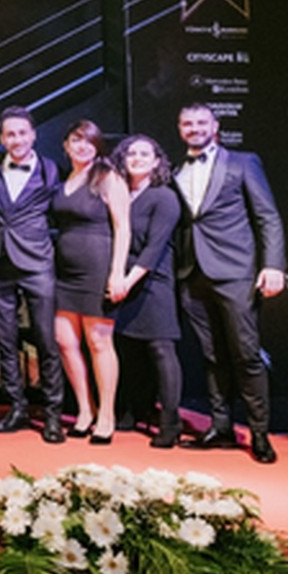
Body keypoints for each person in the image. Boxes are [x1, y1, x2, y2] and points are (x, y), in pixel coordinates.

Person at [174, 103, 286, 464]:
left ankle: (259, 434)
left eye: (201, 122)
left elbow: (267, 216)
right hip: (192, 274)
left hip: (236, 272)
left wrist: (273, 265)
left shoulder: (243, 162)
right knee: (212, 356)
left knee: (246, 355)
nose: (194, 128)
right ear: (180, 129)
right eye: (187, 123)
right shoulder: (176, 170)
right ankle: (220, 427)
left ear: (215, 125)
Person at [0, 106, 65, 443]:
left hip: (38, 262)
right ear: (1, 138)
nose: (16, 140)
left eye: (22, 133)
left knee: (46, 339)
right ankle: (17, 407)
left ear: (33, 135)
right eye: (10, 134)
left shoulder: (51, 169)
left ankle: (53, 414)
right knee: (5, 340)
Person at [51, 120, 131, 445]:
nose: (82, 146)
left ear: (97, 146)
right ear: (66, 145)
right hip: (63, 272)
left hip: (97, 267)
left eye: (89, 141)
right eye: (76, 140)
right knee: (64, 341)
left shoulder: (108, 177)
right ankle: (86, 409)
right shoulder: (64, 178)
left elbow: (123, 227)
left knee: (98, 342)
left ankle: (107, 415)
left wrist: (117, 272)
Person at [111, 134, 184, 449]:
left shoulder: (164, 197)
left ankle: (170, 422)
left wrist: (127, 281)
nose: (137, 158)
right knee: (127, 349)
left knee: (160, 349)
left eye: (144, 154)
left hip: (152, 281)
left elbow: (154, 248)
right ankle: (132, 411)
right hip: (121, 281)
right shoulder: (119, 194)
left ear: (156, 162)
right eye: (131, 153)